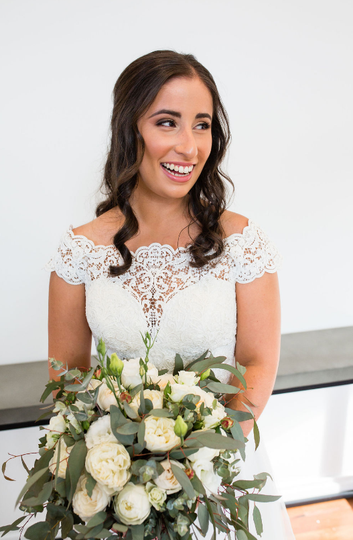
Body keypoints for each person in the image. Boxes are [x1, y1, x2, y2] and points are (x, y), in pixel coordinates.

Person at [48, 50, 294, 539]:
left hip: (216, 478)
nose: (189, 146)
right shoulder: (79, 250)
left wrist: (199, 464)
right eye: (167, 123)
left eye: (201, 125)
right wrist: (112, 473)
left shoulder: (243, 243)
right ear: (128, 131)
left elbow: (258, 361)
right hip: (113, 489)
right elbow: (65, 377)